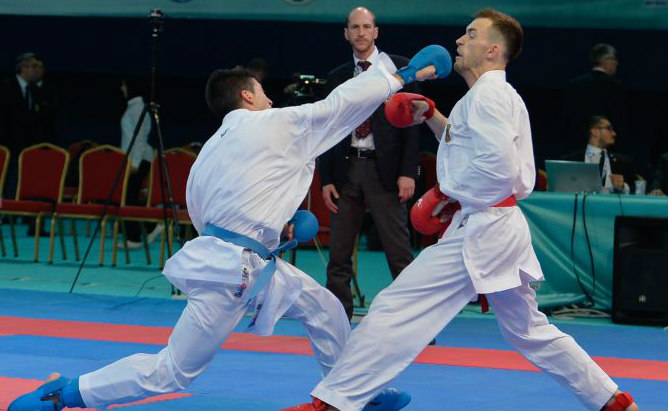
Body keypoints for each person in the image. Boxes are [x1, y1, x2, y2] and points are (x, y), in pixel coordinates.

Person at [8, 43, 450, 411]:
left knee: (326, 310)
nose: (272, 100)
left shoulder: (211, 152)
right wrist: (402, 74)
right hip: (232, 272)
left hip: (243, 261)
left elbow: (210, 216)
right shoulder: (271, 123)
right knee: (174, 371)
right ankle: (64, 393)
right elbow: (338, 107)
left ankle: (352, 393)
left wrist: (277, 228)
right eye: (263, 92)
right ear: (246, 97)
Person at [284, 9, 638, 411]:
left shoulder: (488, 95)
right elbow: (475, 148)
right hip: (499, 225)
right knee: (528, 330)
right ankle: (612, 401)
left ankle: (334, 403)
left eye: (470, 35)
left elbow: (499, 168)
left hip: (483, 228)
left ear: (491, 50)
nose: (459, 41)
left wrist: (442, 194)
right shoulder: (492, 95)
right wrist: (432, 117)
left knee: (396, 307)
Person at [318, 7, 420, 320]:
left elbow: (414, 124)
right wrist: (325, 179)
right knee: (338, 255)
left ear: (376, 32)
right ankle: (337, 320)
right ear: (346, 33)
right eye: (355, 27)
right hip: (345, 170)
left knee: (399, 253)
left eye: (366, 27)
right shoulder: (336, 77)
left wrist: (408, 172)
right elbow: (326, 129)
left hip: (385, 171)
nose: (361, 33)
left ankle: (415, 323)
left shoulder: (399, 69)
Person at [562, 43, 627, 154]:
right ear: (606, 62)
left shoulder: (575, 85)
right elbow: (620, 119)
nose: (617, 64)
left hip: (576, 147)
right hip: (608, 150)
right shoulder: (616, 88)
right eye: (615, 60)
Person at [118, 77, 159, 248]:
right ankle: (150, 227)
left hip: (139, 160)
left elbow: (139, 138)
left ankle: (135, 237)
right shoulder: (134, 107)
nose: (122, 88)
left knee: (129, 197)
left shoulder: (137, 109)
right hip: (137, 159)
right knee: (131, 197)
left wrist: (134, 162)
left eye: (124, 84)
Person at [0, 52, 41, 199]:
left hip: (27, 146)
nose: (37, 70)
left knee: (25, 178)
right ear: (23, 68)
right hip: (8, 144)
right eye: (34, 66)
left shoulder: (35, 91)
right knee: (7, 178)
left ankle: (25, 213)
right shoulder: (6, 87)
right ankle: (5, 210)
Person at [562, 115, 637, 194]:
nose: (614, 134)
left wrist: (623, 186)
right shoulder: (571, 160)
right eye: (609, 128)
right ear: (595, 131)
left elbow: (637, 189)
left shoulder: (623, 163)